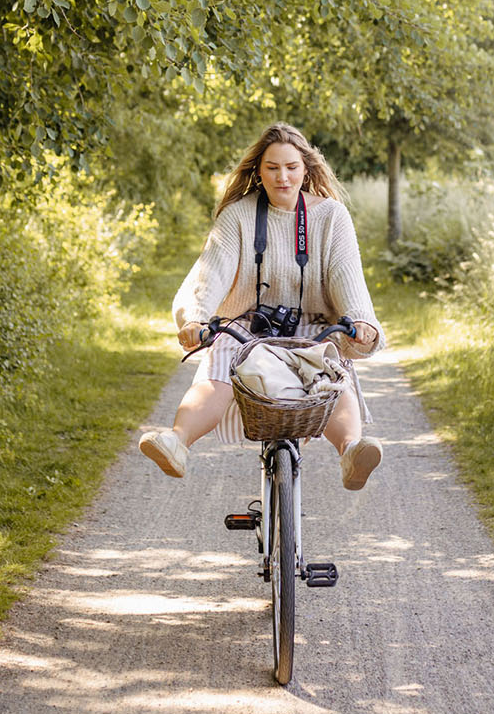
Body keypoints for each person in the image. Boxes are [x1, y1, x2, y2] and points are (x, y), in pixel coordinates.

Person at [139, 123, 386, 489]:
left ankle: (352, 452)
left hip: (312, 327)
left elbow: (346, 276)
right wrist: (195, 318)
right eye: (272, 167)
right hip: (246, 326)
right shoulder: (238, 216)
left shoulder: (330, 217)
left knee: (331, 374)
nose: (282, 177)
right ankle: (177, 443)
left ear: (306, 169)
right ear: (259, 171)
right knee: (220, 365)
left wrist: (361, 320)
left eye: (291, 167)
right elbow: (211, 274)